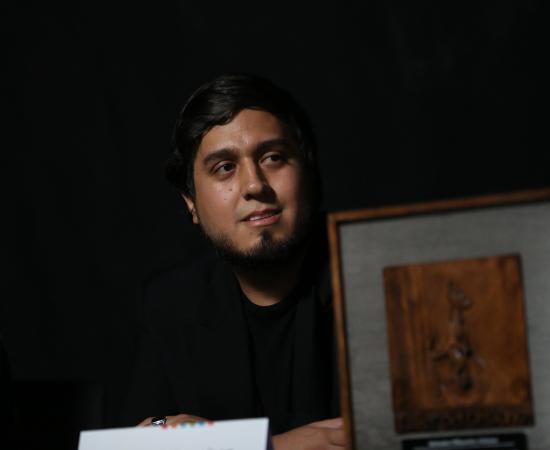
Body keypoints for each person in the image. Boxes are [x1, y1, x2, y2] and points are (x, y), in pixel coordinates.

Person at [124, 73, 346, 449]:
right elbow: (138, 439)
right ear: (191, 202)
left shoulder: (378, 277)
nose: (255, 185)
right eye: (224, 167)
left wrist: (217, 443)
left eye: (273, 158)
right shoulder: (171, 304)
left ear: (307, 170)